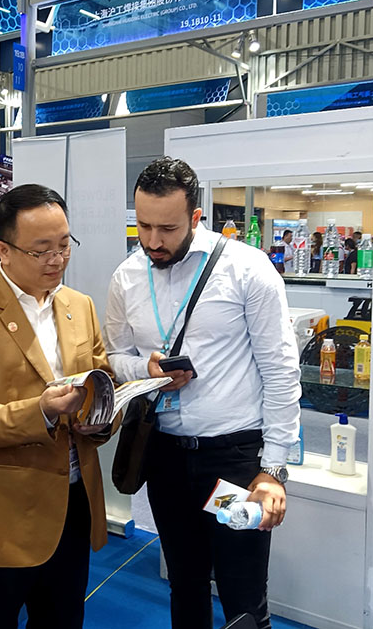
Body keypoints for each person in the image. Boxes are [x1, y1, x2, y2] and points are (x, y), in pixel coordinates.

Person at [103, 157, 302, 629]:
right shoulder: (127, 277)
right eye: (144, 226)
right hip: (165, 457)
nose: (153, 241)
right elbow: (115, 356)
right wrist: (146, 369)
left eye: (167, 228)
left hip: (232, 461)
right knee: (184, 582)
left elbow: (280, 370)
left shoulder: (246, 269)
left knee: (243, 592)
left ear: (196, 216)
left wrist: (273, 468)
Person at [0, 184, 116, 629]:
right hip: (6, 514)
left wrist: (100, 419)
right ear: (4, 250)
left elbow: (102, 381)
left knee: (63, 619)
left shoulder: (79, 305)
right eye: (41, 250)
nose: (57, 259)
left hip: (73, 501)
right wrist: (44, 411)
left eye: (64, 245)